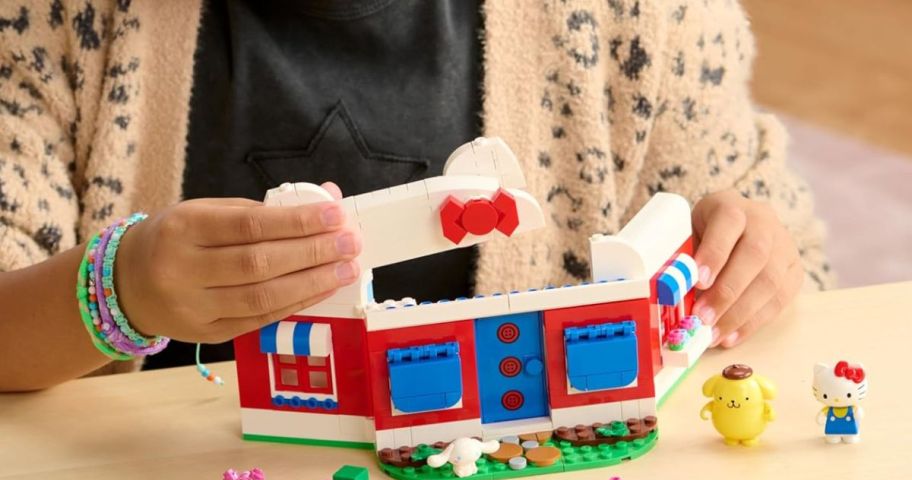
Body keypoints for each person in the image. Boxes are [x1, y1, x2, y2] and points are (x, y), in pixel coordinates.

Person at [0, 0, 832, 392]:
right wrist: (119, 291)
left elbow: (786, 257)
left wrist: (753, 253)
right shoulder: (50, 24)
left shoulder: (641, 20)